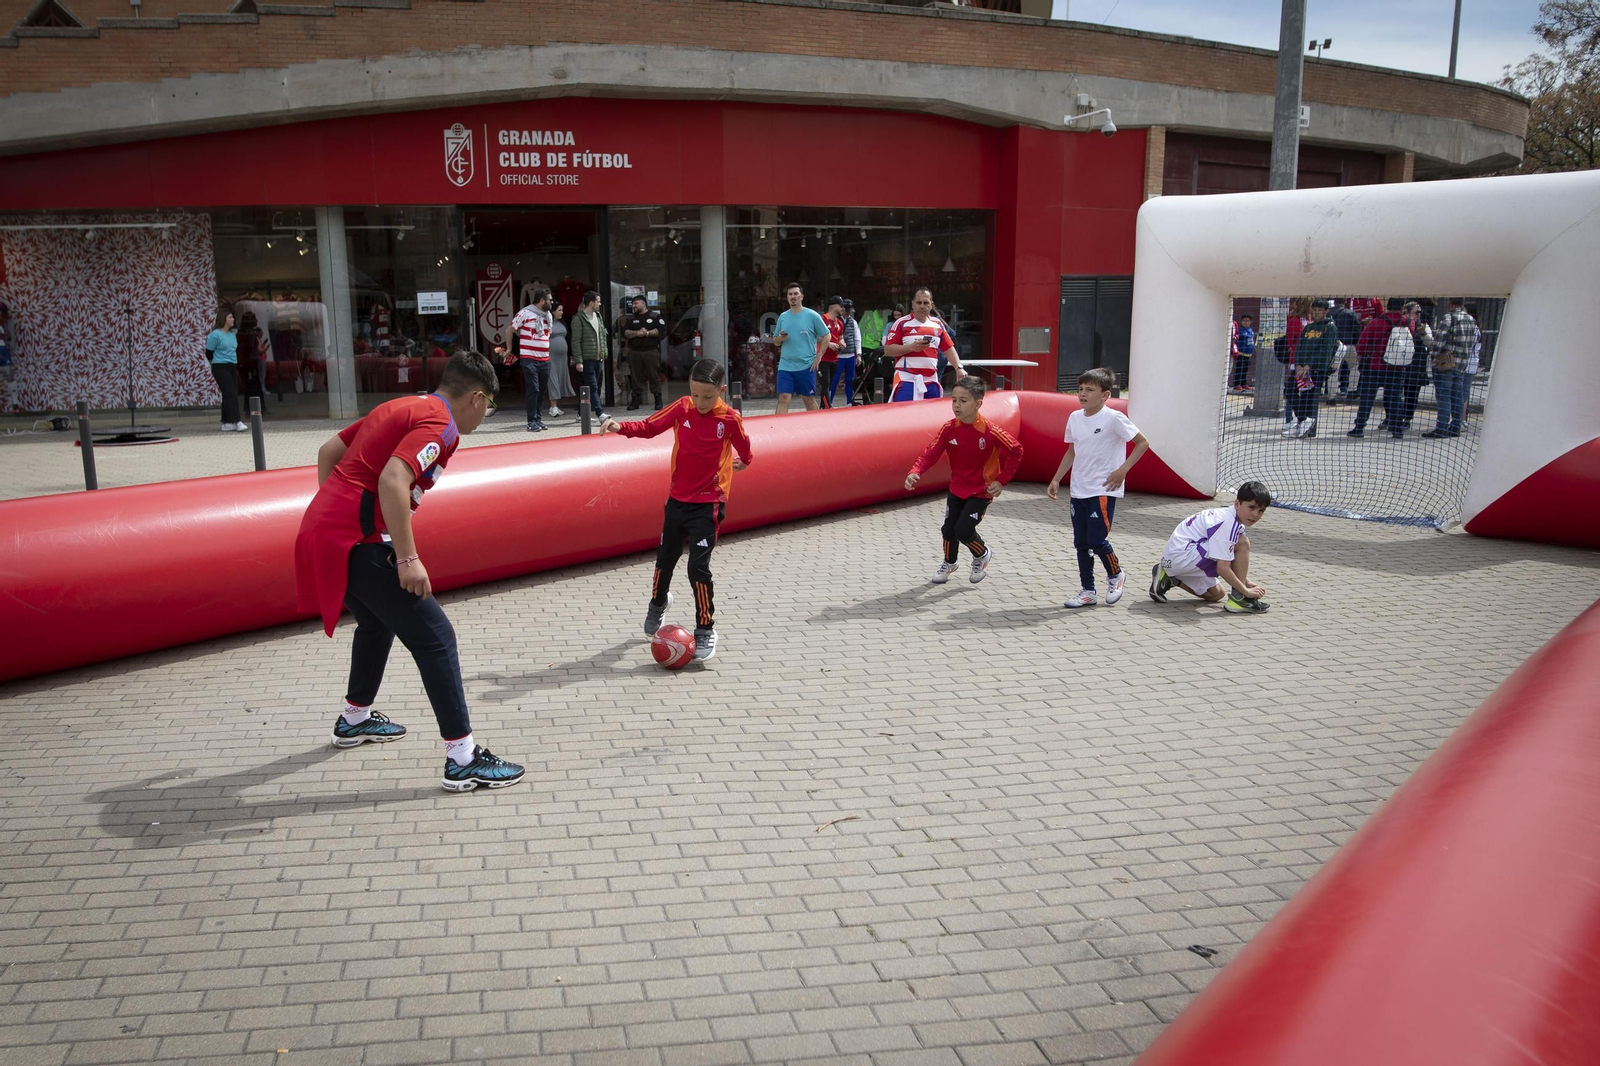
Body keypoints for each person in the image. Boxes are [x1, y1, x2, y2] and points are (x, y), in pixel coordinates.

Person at [293, 351, 526, 792]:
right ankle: (463, 759)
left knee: (376, 624)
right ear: (476, 397)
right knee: (436, 637)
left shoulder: (402, 406)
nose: (485, 417)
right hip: (357, 541)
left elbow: (330, 451)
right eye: (490, 406)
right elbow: (392, 480)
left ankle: (354, 718)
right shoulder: (442, 424)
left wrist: (336, 511)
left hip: (325, 531)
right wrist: (406, 557)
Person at [602, 359, 752, 661]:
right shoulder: (682, 408)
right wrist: (620, 427)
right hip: (677, 501)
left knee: (697, 567)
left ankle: (705, 628)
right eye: (696, 395)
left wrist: (744, 462)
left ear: (721, 391)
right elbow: (649, 427)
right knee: (665, 559)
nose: (701, 402)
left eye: (708, 397)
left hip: (709, 503)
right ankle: (658, 604)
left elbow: (746, 448)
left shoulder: (730, 419)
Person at [1046, 368, 1151, 608]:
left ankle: (1116, 575)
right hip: (1078, 489)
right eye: (1081, 389)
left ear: (1105, 395)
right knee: (1081, 543)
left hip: (1103, 488)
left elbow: (1142, 443)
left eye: (1089, 390)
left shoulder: (1114, 418)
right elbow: (1072, 451)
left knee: (1097, 540)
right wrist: (1056, 479)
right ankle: (1088, 591)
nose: (1083, 394)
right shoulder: (1074, 418)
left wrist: (1122, 470)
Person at [904, 375, 1023, 585]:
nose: (956, 405)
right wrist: (916, 471)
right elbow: (930, 453)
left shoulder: (990, 430)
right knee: (948, 530)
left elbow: (1016, 450)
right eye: (954, 400)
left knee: (963, 530)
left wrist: (1001, 480)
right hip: (957, 489)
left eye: (963, 401)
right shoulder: (949, 428)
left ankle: (982, 554)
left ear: (978, 404)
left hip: (981, 491)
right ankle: (949, 563)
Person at [1148, 481, 1272, 614]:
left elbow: (1230, 561)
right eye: (1251, 507)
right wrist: (1245, 590)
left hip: (1178, 559)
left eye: (1261, 510)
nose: (1255, 514)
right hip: (1183, 556)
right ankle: (1240, 600)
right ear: (1237, 504)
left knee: (1217, 595)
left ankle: (1169, 578)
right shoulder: (1228, 524)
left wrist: (1245, 582)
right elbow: (1222, 567)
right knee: (1242, 543)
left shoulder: (1231, 518)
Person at [885, 288, 964, 402]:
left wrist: (959, 368)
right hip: (907, 380)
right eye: (919, 302)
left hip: (931, 380)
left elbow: (948, 348)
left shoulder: (937, 324)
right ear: (913, 304)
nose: (922, 306)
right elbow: (888, 350)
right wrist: (910, 347)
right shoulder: (901, 323)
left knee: (931, 417)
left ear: (931, 305)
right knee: (904, 417)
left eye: (925, 303)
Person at [1349, 298, 1409, 439]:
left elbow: (1362, 344)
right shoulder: (1407, 322)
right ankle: (1397, 429)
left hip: (1374, 366)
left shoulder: (1376, 322)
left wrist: (1361, 358)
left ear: (1387, 307)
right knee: (1395, 398)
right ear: (1402, 307)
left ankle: (1359, 427)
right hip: (1397, 367)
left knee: (1367, 398)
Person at [1284, 300, 1339, 439]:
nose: (1315, 313)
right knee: (1290, 391)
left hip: (1316, 370)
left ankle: (1306, 425)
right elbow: (1299, 347)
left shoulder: (1329, 327)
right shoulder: (1308, 328)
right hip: (1301, 369)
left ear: (1326, 311)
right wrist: (1298, 365)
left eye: (1319, 310)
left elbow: (1325, 350)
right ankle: (1303, 421)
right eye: (1314, 310)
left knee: (1308, 397)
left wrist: (1309, 366)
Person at [772, 282, 829, 414]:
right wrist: (780, 338)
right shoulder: (783, 317)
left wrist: (818, 357)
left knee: (808, 399)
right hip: (786, 366)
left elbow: (827, 336)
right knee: (783, 398)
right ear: (787, 297)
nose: (793, 297)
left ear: (801, 296)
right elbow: (775, 341)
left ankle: (816, 428)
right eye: (790, 294)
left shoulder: (812, 315)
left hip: (806, 365)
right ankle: (779, 430)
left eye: (796, 294)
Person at [501, 286, 552, 433]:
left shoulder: (547, 315)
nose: (552, 302)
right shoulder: (525, 313)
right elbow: (509, 330)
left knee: (541, 390)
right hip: (529, 358)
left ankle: (538, 419)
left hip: (545, 359)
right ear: (542, 301)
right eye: (550, 300)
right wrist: (509, 349)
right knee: (533, 389)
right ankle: (531, 421)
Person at [1425, 297, 1477, 438]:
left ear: (1449, 303)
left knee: (1443, 396)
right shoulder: (1471, 319)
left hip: (1446, 363)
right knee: (1457, 396)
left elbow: (1439, 342)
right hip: (1462, 363)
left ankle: (1441, 427)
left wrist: (1434, 356)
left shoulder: (1448, 318)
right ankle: (1456, 427)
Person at [621, 294, 667, 411]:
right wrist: (637, 333)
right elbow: (625, 332)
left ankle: (658, 399)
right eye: (633, 304)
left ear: (643, 303)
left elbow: (661, 331)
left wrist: (647, 333)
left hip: (651, 351)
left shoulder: (655, 316)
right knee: (636, 376)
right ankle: (635, 401)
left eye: (636, 303)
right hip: (635, 352)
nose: (634, 306)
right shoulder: (631, 319)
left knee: (654, 375)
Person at [570, 290, 609, 422]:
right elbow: (575, 341)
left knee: (591, 386)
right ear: (591, 303)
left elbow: (602, 336)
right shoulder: (578, 318)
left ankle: (581, 415)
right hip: (586, 359)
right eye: (598, 301)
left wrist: (604, 352)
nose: (600, 304)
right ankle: (600, 413)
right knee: (592, 386)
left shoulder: (598, 316)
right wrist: (579, 361)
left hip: (598, 358)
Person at [206, 310, 246, 432]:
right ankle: (237, 421)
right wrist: (217, 361)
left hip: (232, 366)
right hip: (220, 367)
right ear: (224, 319)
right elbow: (209, 353)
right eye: (230, 317)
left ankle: (226, 422)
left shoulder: (232, 334)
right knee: (231, 393)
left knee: (228, 394)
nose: (233, 319)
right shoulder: (215, 335)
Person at [546, 300, 575, 417]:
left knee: (560, 379)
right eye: (559, 310)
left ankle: (556, 405)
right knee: (552, 379)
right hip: (550, 356)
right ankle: (553, 407)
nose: (562, 312)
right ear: (552, 311)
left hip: (562, 357)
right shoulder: (547, 323)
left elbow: (568, 338)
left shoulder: (563, 323)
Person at [1330, 299, 1364, 396]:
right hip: (1349, 344)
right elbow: (1357, 329)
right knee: (1354, 368)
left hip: (1334, 346)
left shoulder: (1329, 313)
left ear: (1335, 302)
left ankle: (1331, 396)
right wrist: (1357, 344)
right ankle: (1352, 391)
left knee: (1333, 371)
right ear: (1345, 302)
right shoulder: (1350, 313)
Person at [857, 304, 889, 402]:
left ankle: (874, 395)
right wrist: (859, 350)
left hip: (878, 348)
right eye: (882, 311)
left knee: (876, 372)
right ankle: (865, 396)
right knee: (867, 372)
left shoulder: (884, 318)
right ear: (879, 309)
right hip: (867, 347)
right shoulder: (869, 316)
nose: (883, 313)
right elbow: (860, 330)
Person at [834, 299, 862, 406]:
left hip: (850, 354)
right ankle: (829, 402)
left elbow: (857, 338)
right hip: (839, 355)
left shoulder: (853, 321)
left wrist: (858, 354)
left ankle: (849, 402)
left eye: (849, 310)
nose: (847, 312)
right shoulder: (836, 320)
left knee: (850, 379)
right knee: (835, 379)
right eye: (846, 310)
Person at [819, 296, 845, 408]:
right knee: (825, 383)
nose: (842, 308)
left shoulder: (839, 322)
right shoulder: (823, 319)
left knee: (830, 384)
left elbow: (840, 337)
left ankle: (823, 406)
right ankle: (827, 406)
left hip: (835, 358)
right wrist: (828, 344)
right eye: (841, 306)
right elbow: (816, 336)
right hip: (823, 357)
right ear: (834, 306)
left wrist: (842, 343)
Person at [1229, 313, 1255, 392]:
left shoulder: (1250, 330)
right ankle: (1237, 384)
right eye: (1243, 321)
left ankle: (1244, 383)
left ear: (1250, 322)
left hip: (1248, 354)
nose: (1245, 322)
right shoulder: (1240, 330)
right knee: (1239, 370)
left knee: (1245, 370)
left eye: (1247, 321)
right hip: (1241, 354)